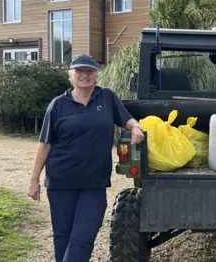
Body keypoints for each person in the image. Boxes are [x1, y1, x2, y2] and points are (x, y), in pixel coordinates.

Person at [26, 54, 144, 262]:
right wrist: (34, 180)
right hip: (61, 182)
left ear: (96, 75)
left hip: (94, 184)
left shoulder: (107, 97)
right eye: (79, 71)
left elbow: (126, 119)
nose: (84, 75)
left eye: (89, 71)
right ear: (70, 75)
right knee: (62, 237)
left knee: (83, 236)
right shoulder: (58, 105)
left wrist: (135, 127)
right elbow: (45, 144)